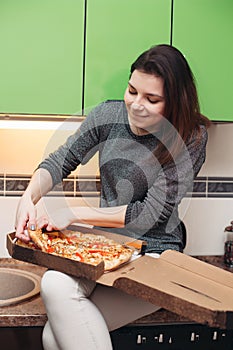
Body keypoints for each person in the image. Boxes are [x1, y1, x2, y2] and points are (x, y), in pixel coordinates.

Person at [15, 44, 210, 349]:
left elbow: (150, 212)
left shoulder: (191, 137)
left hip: (154, 254)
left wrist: (76, 213)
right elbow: (60, 160)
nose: (135, 104)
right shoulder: (107, 114)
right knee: (54, 283)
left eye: (152, 99)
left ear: (175, 103)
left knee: (52, 338)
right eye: (132, 91)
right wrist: (28, 198)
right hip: (104, 247)